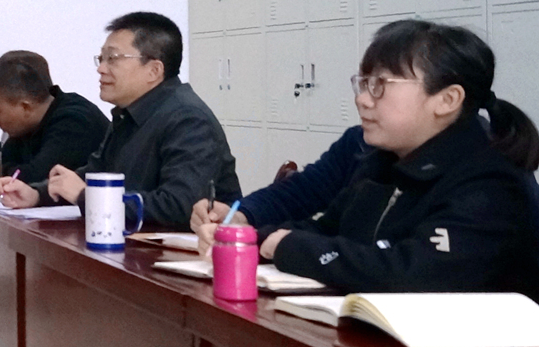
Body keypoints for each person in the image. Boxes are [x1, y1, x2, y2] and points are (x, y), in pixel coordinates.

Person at [190, 20, 539, 295]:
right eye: (364, 83)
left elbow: (411, 272)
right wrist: (247, 238)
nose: (363, 99)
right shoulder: (382, 160)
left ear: (447, 100)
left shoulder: (491, 180)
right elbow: (327, 228)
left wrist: (290, 247)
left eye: (380, 85)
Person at [0, 12, 239, 231]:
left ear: (154, 70)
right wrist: (37, 194)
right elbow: (96, 172)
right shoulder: (129, 113)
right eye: (101, 58)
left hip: (185, 256)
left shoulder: (188, 119)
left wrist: (86, 196)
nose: (101, 68)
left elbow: (179, 206)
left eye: (113, 58)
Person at [0, 51, 108, 185]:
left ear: (25, 107)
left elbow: (36, 176)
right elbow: (5, 163)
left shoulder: (74, 121)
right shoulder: (28, 124)